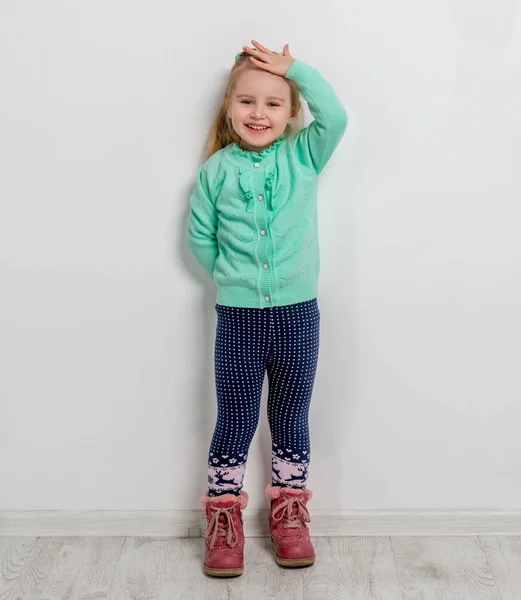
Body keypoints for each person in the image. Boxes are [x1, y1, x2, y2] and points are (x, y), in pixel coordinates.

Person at [187, 40, 347, 577]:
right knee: (234, 421)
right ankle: (224, 521)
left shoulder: (302, 156)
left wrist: (294, 68)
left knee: (290, 418)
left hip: (299, 317)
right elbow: (201, 238)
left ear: (291, 113)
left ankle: (290, 514)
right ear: (230, 109)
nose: (260, 113)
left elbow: (337, 115)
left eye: (274, 103)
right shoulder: (216, 172)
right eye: (248, 102)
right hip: (238, 320)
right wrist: (235, 281)